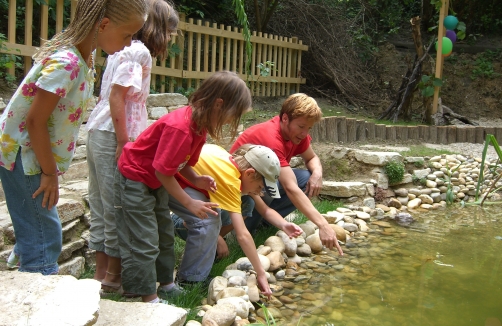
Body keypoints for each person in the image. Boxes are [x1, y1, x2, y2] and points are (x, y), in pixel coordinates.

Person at [0, 0, 148, 275]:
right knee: (45, 238)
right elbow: (34, 121)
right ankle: (36, 289)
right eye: (127, 35)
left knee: (37, 225)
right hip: (23, 155)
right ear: (103, 25)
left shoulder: (83, 57)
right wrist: (49, 172)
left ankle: (26, 262)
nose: (129, 44)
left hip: (28, 154)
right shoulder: (67, 63)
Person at [114, 71, 251, 303]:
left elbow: (181, 163)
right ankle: (147, 296)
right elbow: (163, 172)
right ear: (219, 104)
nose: (230, 121)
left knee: (164, 234)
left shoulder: (199, 127)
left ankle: (166, 284)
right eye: (232, 115)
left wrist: (196, 179)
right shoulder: (180, 127)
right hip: (135, 179)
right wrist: (189, 202)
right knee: (145, 239)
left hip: (155, 179)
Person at [85, 0, 179, 296]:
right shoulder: (138, 52)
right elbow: (118, 97)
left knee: (102, 207)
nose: (172, 40)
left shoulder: (124, 48)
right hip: (114, 135)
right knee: (117, 208)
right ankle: (113, 278)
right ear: (161, 28)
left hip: (98, 131)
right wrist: (124, 142)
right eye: (172, 32)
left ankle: (103, 277)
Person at [171, 144, 303, 294]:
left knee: (247, 202)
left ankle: (207, 243)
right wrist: (260, 273)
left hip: (185, 178)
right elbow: (243, 235)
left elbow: (264, 210)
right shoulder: (230, 181)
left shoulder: (230, 162)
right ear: (249, 173)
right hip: (172, 180)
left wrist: (284, 225)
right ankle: (190, 280)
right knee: (208, 219)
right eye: (260, 186)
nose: (259, 192)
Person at [230, 93, 344, 255]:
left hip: (256, 181)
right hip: (240, 187)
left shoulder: (296, 134)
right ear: (285, 118)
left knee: (305, 179)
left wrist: (317, 173)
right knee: (273, 184)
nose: (305, 133)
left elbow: (311, 157)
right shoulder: (272, 138)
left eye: (309, 128)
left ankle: (268, 223)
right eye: (301, 126)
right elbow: (290, 188)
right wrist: (323, 225)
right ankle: (247, 226)